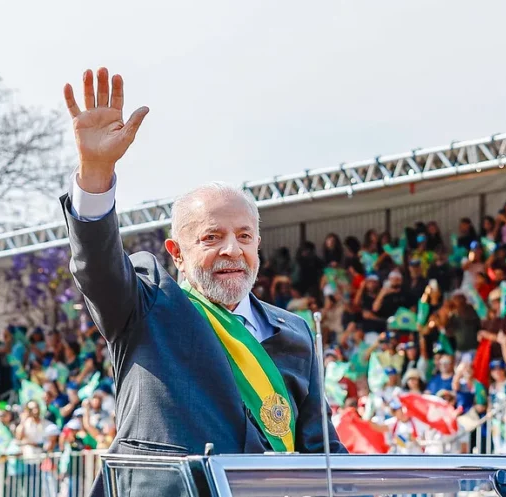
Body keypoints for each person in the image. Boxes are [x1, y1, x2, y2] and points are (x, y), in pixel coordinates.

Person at [61, 68, 346, 497]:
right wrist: (96, 174)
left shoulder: (296, 331)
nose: (232, 249)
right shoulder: (147, 307)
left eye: (244, 236)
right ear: (176, 253)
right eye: (212, 237)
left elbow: (322, 452)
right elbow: (97, 268)